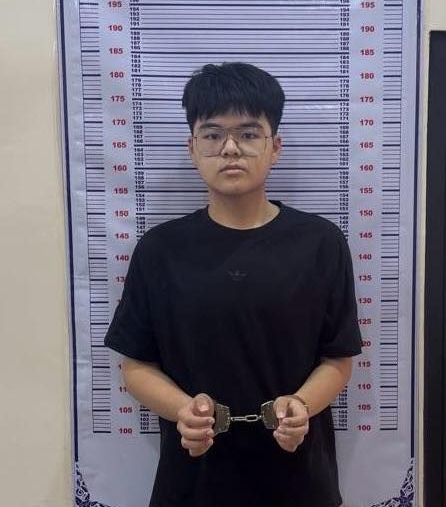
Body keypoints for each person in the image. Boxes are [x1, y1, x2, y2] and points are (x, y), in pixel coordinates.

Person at [104, 62, 362, 507]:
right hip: (193, 483)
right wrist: (182, 410)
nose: (230, 148)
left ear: (274, 146)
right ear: (192, 148)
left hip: (300, 480)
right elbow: (136, 365)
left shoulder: (321, 242)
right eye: (212, 134)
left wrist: (301, 405)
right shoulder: (159, 249)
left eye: (248, 133)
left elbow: (338, 357)